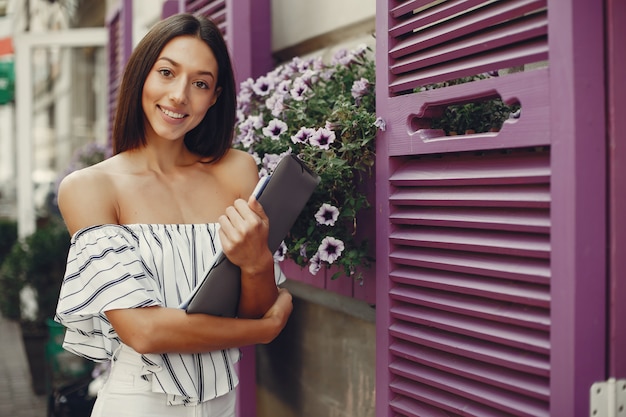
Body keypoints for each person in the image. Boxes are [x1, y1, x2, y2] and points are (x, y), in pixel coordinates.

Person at [54, 13, 293, 417]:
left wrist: (257, 263)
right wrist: (263, 331)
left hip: (222, 405)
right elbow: (143, 331)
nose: (180, 94)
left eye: (200, 83)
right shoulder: (89, 187)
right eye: (166, 72)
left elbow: (254, 304)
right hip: (138, 402)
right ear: (141, 76)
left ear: (215, 96)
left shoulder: (237, 170)